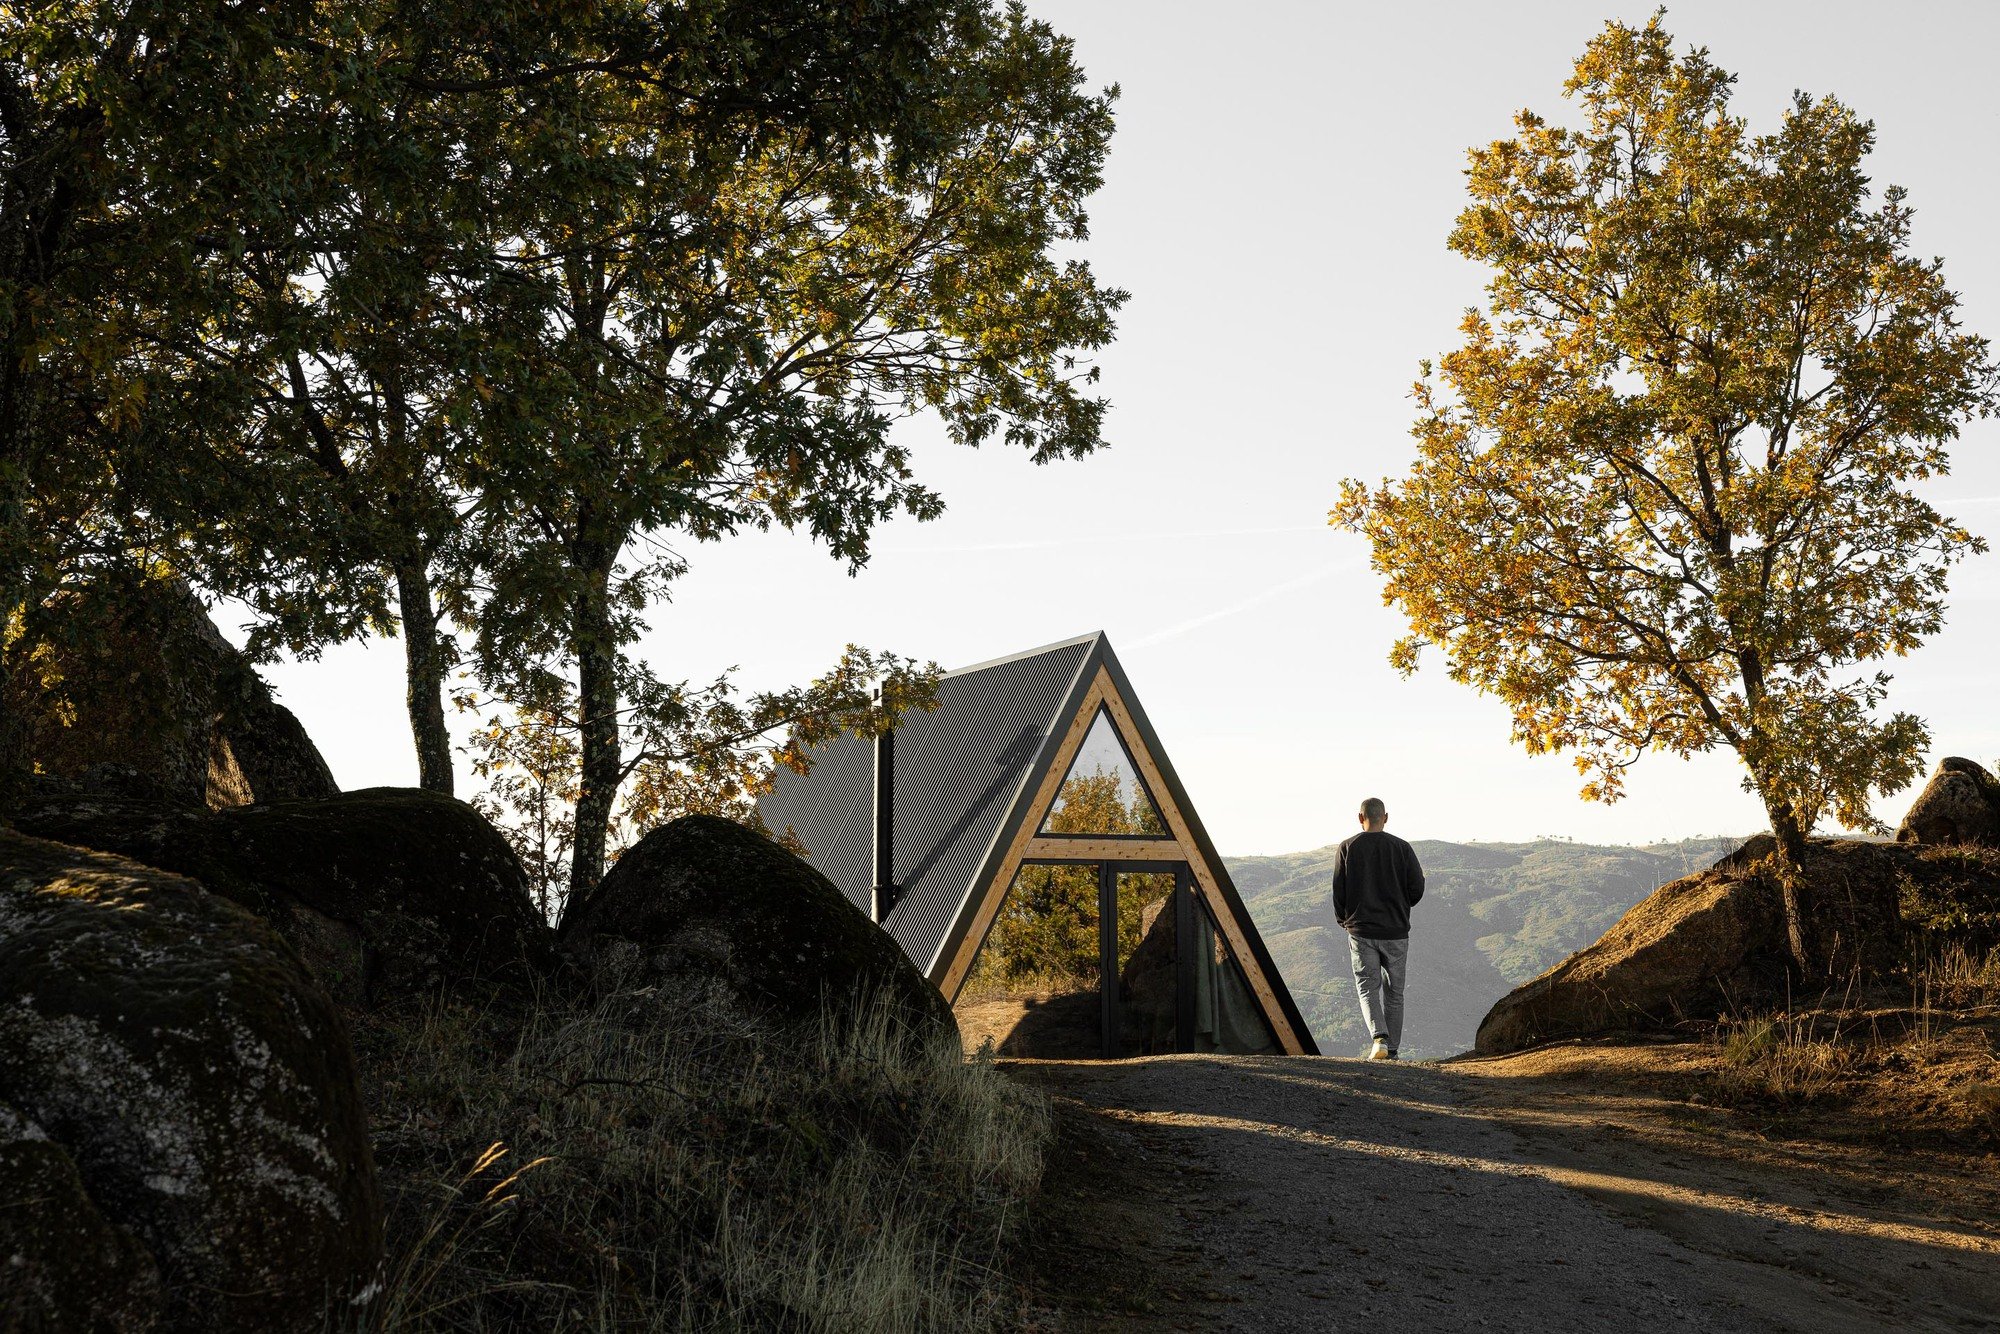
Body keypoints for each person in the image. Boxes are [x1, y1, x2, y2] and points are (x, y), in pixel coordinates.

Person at [1330, 796, 1424, 1060]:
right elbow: (1417, 887)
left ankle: (1379, 1039)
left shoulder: (1347, 847)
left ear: (1360, 818)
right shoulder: (1402, 848)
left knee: (1367, 986)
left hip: (1361, 931)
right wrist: (1402, 907)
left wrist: (1344, 921)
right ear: (1386, 817)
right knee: (1395, 992)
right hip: (1396, 931)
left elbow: (1339, 891)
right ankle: (1392, 1051)